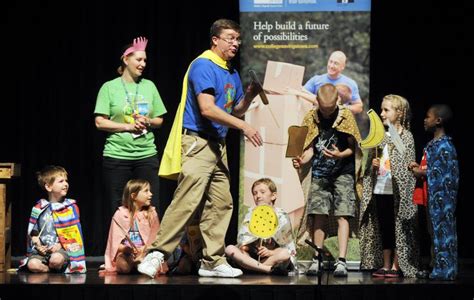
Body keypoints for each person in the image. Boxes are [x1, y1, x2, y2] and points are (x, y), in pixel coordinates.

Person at [137, 19, 263, 279]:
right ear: (215, 40)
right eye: (230, 38)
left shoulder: (231, 72)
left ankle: (212, 261)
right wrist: (243, 126)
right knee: (188, 198)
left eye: (238, 39)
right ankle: (157, 252)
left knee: (221, 202)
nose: (236, 43)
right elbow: (207, 108)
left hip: (218, 146)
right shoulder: (203, 65)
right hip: (198, 141)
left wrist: (249, 95)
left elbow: (233, 107)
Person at [94, 36, 167, 226]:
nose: (143, 64)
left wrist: (148, 121)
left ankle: (150, 251)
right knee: (119, 207)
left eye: (145, 60)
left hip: (145, 154)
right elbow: (100, 122)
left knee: (151, 206)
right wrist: (127, 126)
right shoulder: (109, 87)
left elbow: (160, 120)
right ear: (126, 60)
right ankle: (122, 251)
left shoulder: (149, 86)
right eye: (139, 59)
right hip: (117, 155)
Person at [292, 83, 361, 277]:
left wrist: (339, 155)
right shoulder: (311, 117)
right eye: (324, 109)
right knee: (318, 214)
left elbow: (353, 147)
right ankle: (317, 257)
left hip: (343, 172)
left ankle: (342, 260)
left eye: (330, 109)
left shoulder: (346, 116)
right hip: (320, 173)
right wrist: (301, 160)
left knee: (343, 213)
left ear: (337, 101)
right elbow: (309, 149)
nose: (327, 113)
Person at [359, 94, 420, 278]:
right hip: (381, 189)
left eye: (386, 110)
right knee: (385, 226)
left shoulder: (405, 136)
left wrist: (396, 161)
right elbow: (369, 165)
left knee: (398, 227)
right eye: (381, 109)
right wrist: (373, 165)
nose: (382, 113)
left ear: (399, 113)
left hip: (397, 191)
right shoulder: (380, 137)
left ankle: (396, 265)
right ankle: (385, 264)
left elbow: (407, 162)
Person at [409, 104, 459, 280]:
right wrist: (420, 168)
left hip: (442, 201)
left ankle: (445, 270)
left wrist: (422, 172)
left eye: (428, 116)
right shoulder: (432, 144)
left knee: (443, 232)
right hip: (433, 197)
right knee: (434, 232)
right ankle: (435, 266)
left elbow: (444, 174)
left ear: (438, 120)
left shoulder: (444, 146)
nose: (425, 119)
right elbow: (432, 168)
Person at [19, 166, 86, 273]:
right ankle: (49, 270)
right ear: (48, 187)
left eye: (66, 181)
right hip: (42, 251)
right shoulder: (39, 208)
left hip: (62, 249)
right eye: (61, 181)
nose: (65, 184)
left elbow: (74, 234)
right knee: (33, 265)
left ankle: (57, 266)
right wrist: (39, 246)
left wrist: (60, 245)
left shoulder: (70, 207)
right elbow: (34, 234)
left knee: (56, 260)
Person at [225, 178, 296, 275]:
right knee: (230, 249)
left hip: (270, 258)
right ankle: (267, 269)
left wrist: (270, 252)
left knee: (284, 254)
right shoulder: (250, 214)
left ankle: (250, 268)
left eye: (262, 192)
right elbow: (243, 242)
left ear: (273, 195)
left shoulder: (281, 216)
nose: (258, 196)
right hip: (253, 257)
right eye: (255, 193)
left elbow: (287, 246)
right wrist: (248, 247)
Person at [103, 179, 166, 274]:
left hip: (146, 252)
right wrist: (126, 249)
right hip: (127, 253)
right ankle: (134, 264)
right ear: (133, 196)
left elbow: (156, 239)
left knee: (147, 263)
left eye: (150, 191)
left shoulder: (151, 213)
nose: (150, 194)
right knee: (123, 266)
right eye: (146, 191)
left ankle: (140, 264)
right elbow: (113, 243)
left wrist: (144, 249)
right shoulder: (120, 214)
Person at [287, 51, 363, 114]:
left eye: (336, 63)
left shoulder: (350, 84)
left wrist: (342, 108)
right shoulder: (316, 80)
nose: (331, 65)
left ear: (342, 66)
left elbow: (359, 107)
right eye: (330, 61)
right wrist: (298, 90)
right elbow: (308, 98)